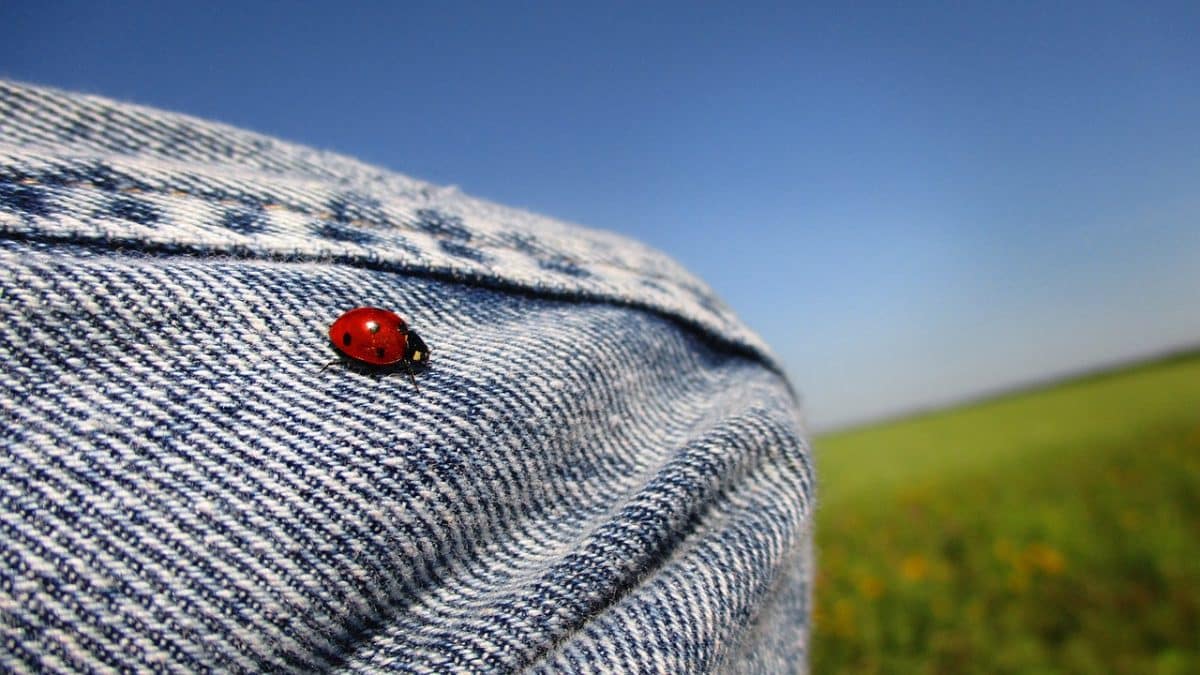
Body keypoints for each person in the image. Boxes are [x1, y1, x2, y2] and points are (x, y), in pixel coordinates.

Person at [0, 80, 814, 673]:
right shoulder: (671, 357)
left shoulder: (392, 340)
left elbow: (378, 340)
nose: (396, 354)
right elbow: (373, 341)